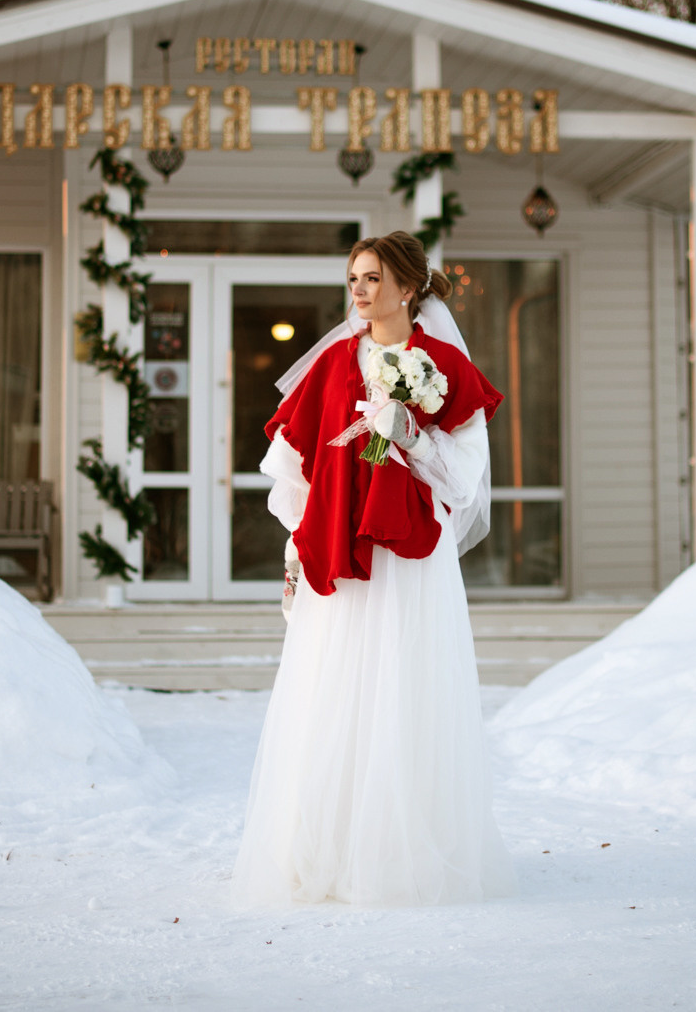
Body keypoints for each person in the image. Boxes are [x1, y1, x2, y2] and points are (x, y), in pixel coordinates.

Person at [232, 230, 515, 907]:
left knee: (403, 689)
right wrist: (298, 549)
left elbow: (464, 481)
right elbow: (296, 468)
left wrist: (408, 429)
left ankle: (400, 852)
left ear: (407, 287)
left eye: (372, 278)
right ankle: (323, 849)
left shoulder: (442, 366)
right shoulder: (332, 364)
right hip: (341, 551)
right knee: (332, 694)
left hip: (410, 560)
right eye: (353, 278)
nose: (359, 291)